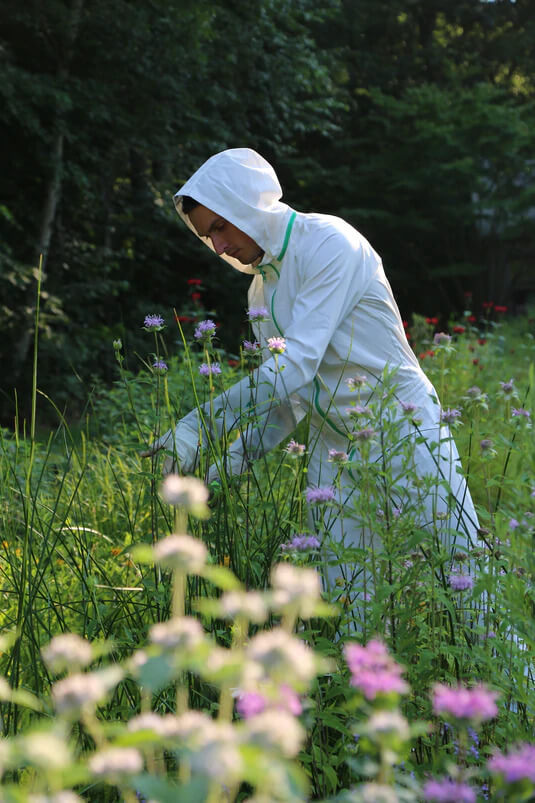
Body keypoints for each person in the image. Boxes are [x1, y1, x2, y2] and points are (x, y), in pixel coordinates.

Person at [143, 147, 480, 608]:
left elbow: (294, 365)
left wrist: (198, 426)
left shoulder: (328, 242)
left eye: (219, 227)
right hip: (333, 449)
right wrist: (221, 475)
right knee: (348, 603)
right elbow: (289, 402)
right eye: (207, 236)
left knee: (464, 581)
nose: (217, 247)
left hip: (403, 427)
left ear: (248, 204)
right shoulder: (259, 289)